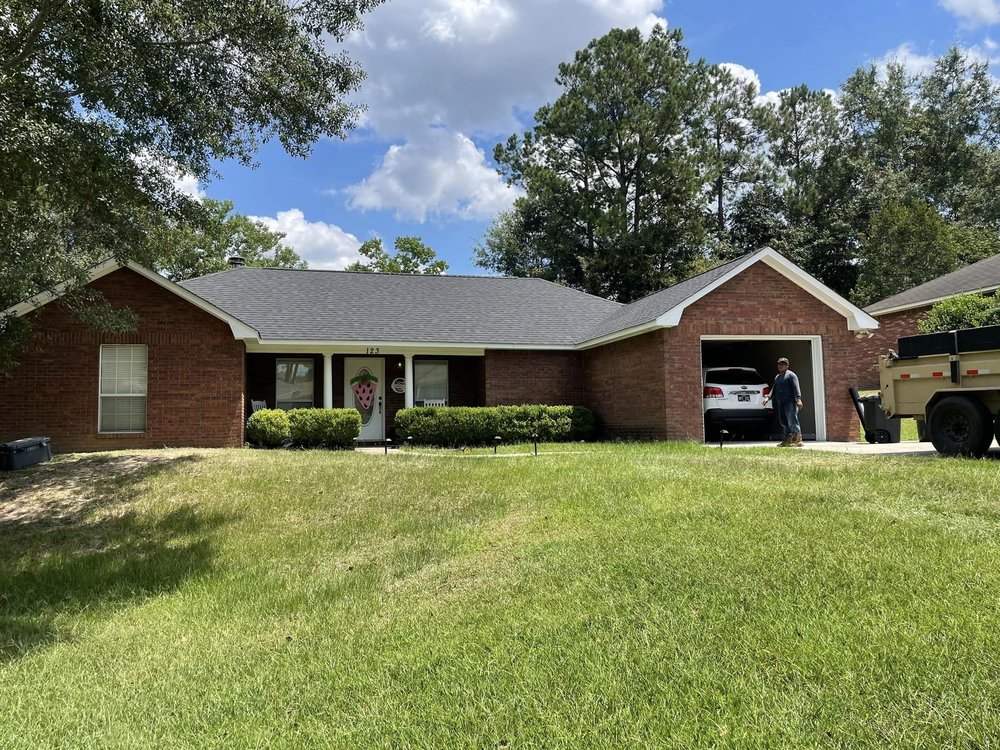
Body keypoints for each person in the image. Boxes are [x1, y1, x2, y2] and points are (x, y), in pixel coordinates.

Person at [761, 357, 803, 447]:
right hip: (781, 403)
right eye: (779, 364)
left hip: (790, 402)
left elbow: (796, 388)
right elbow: (774, 389)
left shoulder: (791, 375)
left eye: (783, 364)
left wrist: (798, 399)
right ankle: (787, 440)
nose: (781, 366)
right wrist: (768, 398)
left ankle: (797, 439)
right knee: (783, 421)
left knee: (792, 420)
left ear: (787, 366)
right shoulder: (777, 377)